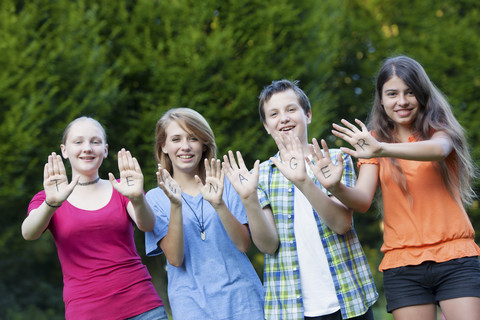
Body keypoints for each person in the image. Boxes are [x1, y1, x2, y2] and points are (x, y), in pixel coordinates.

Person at [315, 55, 480, 320]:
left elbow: (438, 151)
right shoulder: (374, 140)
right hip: (404, 265)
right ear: (381, 99)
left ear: (422, 95)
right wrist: (335, 187)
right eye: (392, 93)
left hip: (455, 257)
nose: (401, 101)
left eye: (409, 92)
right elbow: (363, 200)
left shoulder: (440, 130)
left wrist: (382, 149)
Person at [222, 79, 378, 320]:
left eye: (291, 109)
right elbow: (268, 246)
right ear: (266, 126)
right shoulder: (261, 175)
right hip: (291, 307)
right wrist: (248, 199)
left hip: (348, 298)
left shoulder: (335, 160)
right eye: (274, 114)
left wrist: (303, 181)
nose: (283, 118)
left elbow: (341, 224)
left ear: (308, 115)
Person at [22, 116, 167, 320]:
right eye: (78, 142)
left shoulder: (122, 188)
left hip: (142, 306)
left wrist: (136, 198)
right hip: (86, 311)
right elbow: (29, 233)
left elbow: (147, 225)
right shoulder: (47, 199)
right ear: (64, 150)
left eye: (95, 141)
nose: (87, 148)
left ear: (105, 150)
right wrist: (51, 203)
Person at [144, 108, 264, 320]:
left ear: (204, 143)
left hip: (244, 302)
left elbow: (244, 245)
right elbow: (175, 258)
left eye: (193, 138)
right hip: (191, 308)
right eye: (176, 139)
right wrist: (176, 205)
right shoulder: (155, 198)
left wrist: (219, 204)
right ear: (163, 146)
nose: (185, 146)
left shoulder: (226, 184)